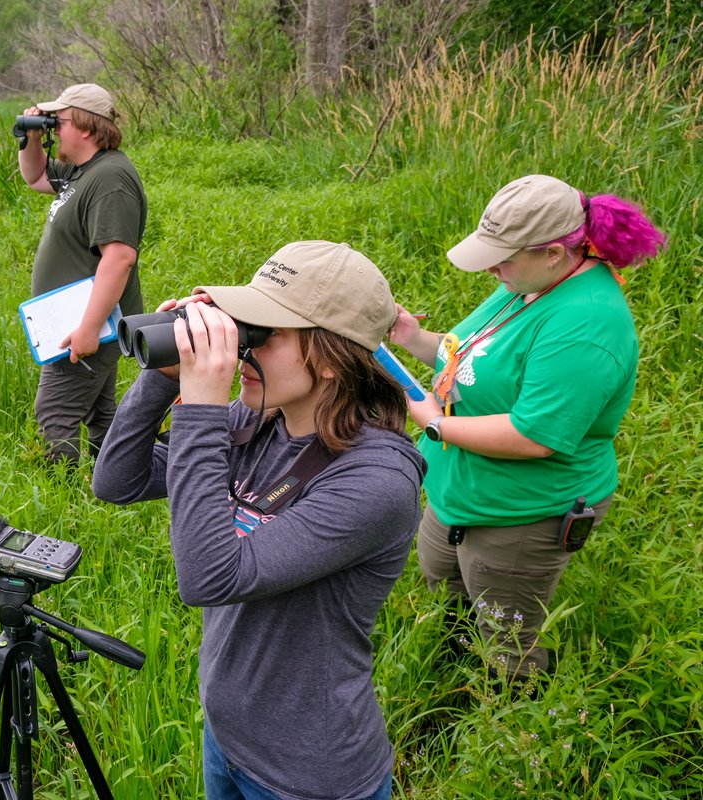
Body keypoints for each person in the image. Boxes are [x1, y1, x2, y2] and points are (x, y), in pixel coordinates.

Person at [94, 241, 425, 800]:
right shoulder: (259, 419)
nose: (241, 351)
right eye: (239, 326)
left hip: (310, 775)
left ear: (329, 357)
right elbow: (118, 480)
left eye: (260, 334)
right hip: (228, 741)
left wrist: (201, 406)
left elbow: (209, 579)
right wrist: (165, 377)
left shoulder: (376, 480)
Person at [389, 174, 666, 682]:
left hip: (521, 510)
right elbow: (470, 361)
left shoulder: (586, 323)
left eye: (503, 258)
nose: (493, 269)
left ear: (556, 252)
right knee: (443, 595)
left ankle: (513, 723)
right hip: (460, 490)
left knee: (508, 640)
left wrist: (435, 426)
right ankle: (450, 681)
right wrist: (410, 335)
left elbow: (534, 437)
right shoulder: (525, 283)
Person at [18, 83, 147, 462]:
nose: (55, 126)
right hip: (82, 320)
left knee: (55, 414)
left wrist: (89, 328)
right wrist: (31, 136)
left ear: (87, 128)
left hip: (89, 323)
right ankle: (114, 487)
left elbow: (119, 257)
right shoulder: (84, 170)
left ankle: (67, 506)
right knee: (100, 414)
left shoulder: (110, 179)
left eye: (61, 120)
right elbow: (35, 176)